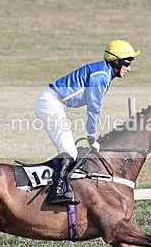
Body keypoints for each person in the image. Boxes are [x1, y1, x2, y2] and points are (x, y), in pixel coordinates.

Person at [34, 39, 141, 204]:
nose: (129, 68)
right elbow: (94, 108)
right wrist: (91, 137)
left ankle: (58, 186)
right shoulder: (101, 76)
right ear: (117, 61)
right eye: (127, 63)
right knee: (69, 151)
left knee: (68, 151)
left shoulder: (104, 73)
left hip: (54, 103)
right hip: (51, 103)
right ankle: (55, 194)